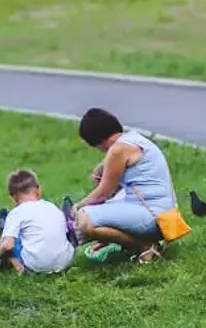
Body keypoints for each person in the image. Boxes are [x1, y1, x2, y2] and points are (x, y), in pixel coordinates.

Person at [73, 107, 176, 264]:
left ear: (97, 142)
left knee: (85, 220)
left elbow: (103, 194)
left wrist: (76, 207)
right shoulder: (133, 139)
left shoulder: (118, 150)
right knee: (99, 211)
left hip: (154, 217)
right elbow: (105, 179)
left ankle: (142, 246)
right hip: (166, 214)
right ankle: (135, 242)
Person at [0, 169, 74, 275]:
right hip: (66, 261)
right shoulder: (52, 206)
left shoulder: (16, 213)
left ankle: (19, 268)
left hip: (38, 264)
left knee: (8, 240)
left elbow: (7, 246)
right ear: (38, 190)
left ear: (13, 198)